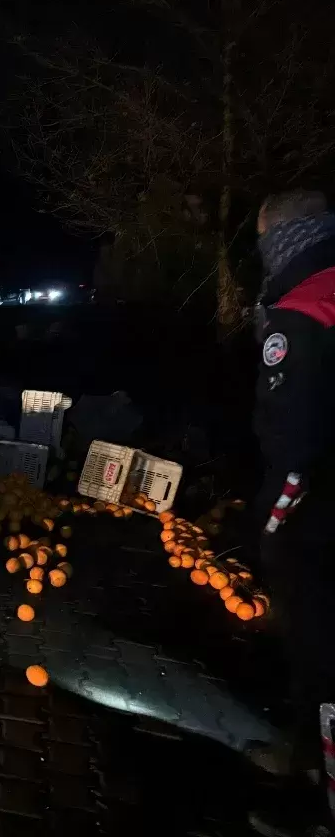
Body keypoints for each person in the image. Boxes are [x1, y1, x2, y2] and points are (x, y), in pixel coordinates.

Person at [244, 189, 335, 837]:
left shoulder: (301, 313)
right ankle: (304, 757)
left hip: (322, 514)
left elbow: (295, 443)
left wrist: (273, 522)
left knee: (321, 650)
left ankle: (319, 803)